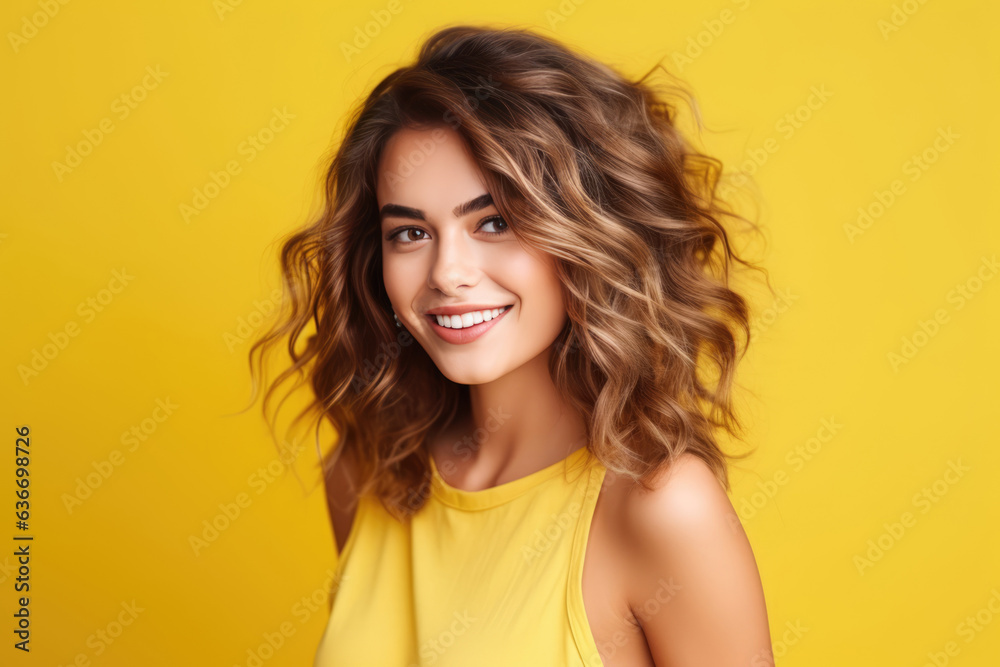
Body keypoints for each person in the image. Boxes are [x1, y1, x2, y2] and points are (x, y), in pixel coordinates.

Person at [249, 23, 775, 667]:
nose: (447, 272)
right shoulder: (368, 471)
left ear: (589, 235)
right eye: (409, 234)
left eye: (494, 221)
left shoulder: (662, 510)